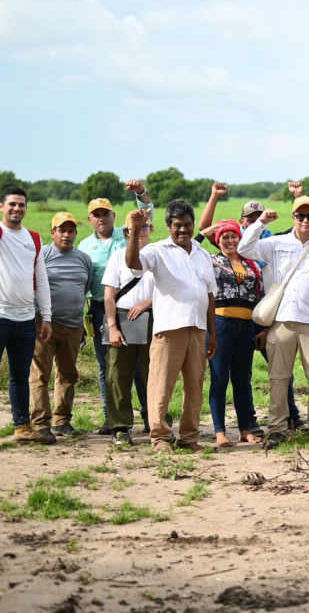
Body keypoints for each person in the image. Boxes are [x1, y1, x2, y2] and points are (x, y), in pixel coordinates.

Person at [238, 195, 309, 448]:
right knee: (278, 377)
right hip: (282, 322)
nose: (306, 220)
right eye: (301, 216)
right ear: (293, 218)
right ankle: (276, 427)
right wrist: (261, 222)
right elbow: (244, 249)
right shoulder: (276, 244)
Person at [199, 182, 306, 431]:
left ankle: (290, 416)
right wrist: (215, 197)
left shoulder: (268, 245)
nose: (255, 222)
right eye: (250, 219)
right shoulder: (221, 251)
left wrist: (298, 196)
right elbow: (204, 232)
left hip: (262, 317)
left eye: (260, 218)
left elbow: (299, 230)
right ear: (242, 222)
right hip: (228, 322)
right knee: (229, 377)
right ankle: (240, 425)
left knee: (276, 369)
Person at [125, 201, 217, 452]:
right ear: (168, 226)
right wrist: (134, 231)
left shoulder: (201, 253)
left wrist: (212, 333)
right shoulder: (157, 251)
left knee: (195, 387)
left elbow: (209, 294)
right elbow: (133, 264)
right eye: (177, 226)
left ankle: (188, 437)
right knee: (161, 385)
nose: (183, 230)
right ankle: (160, 438)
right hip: (169, 329)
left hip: (197, 330)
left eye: (188, 225)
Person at [78, 180, 154, 434]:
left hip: (136, 309)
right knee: (108, 368)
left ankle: (149, 418)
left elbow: (146, 213)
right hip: (103, 308)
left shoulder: (129, 233)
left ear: (113, 216)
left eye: (105, 214)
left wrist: (140, 192)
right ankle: (111, 420)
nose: (101, 218)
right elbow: (82, 283)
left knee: (143, 369)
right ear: (90, 219)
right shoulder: (84, 247)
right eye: (96, 215)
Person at [28, 212, 92, 441]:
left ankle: (62, 421)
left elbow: (84, 288)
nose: (66, 234)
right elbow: (32, 284)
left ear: (75, 233)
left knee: (68, 374)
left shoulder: (83, 258)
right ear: (53, 232)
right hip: (44, 323)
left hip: (73, 325)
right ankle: (40, 423)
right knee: (40, 374)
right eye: (61, 230)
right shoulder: (42, 254)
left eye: (70, 230)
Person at [204, 220, 265, 448]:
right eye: (224, 237)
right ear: (217, 241)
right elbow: (190, 245)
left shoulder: (252, 265)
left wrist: (262, 330)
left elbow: (261, 298)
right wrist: (208, 230)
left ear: (240, 239)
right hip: (221, 325)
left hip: (246, 327)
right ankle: (219, 431)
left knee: (242, 380)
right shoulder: (211, 260)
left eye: (234, 236)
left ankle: (244, 429)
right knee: (219, 379)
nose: (230, 241)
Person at [1, 186, 53, 445]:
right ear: (2, 207)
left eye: (21, 204)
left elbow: (41, 280)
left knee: (20, 376)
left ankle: (22, 427)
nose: (16, 208)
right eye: (11, 204)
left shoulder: (33, 238)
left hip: (25, 319)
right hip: (0, 316)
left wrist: (46, 317)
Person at [102, 213, 159, 445]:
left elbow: (169, 289)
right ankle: (120, 426)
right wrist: (112, 326)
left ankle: (156, 422)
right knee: (117, 374)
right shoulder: (117, 257)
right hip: (122, 316)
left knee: (155, 373)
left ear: (151, 229)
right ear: (127, 232)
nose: (141, 230)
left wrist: (147, 302)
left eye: (145, 226)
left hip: (154, 316)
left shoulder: (158, 254)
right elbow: (109, 294)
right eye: (136, 227)